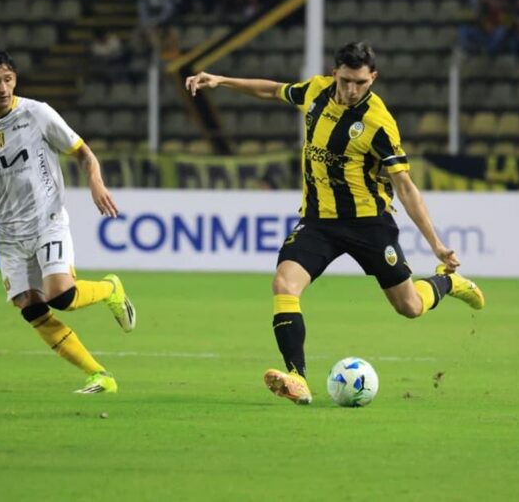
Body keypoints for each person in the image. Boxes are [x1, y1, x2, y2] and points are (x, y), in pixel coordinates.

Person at [184, 41, 486, 405]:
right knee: (284, 283)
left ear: (372, 77)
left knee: (409, 307)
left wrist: (436, 243)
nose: (351, 90)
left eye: (360, 82)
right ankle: (297, 377)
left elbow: (405, 186)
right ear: (334, 73)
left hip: (369, 225)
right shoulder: (316, 91)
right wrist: (221, 80)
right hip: (319, 223)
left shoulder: (378, 123)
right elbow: (273, 89)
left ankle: (447, 283)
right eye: (345, 81)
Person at [0, 49, 137, 393]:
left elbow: (82, 152)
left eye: (8, 79)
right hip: (7, 232)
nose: (2, 87)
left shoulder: (37, 113)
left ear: (14, 79)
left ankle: (110, 289)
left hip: (47, 219)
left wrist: (96, 182)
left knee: (60, 295)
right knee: (31, 308)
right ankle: (99, 375)